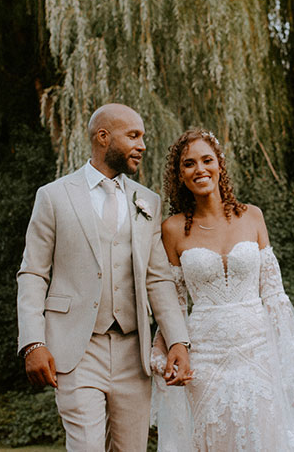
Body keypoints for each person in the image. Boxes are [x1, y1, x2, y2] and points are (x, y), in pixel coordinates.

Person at [16, 103, 192, 451]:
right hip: (76, 349)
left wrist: (178, 341)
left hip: (133, 351)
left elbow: (158, 279)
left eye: (142, 136)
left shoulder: (148, 201)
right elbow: (33, 273)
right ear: (103, 137)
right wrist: (33, 343)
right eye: (133, 135)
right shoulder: (53, 196)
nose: (142, 145)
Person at [151, 128, 294, 451]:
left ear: (220, 165)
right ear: (180, 175)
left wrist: (293, 364)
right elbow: (174, 304)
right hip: (205, 358)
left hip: (259, 352)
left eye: (207, 160)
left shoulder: (252, 217)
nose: (200, 169)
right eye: (189, 164)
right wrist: (165, 352)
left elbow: (275, 297)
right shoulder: (172, 229)